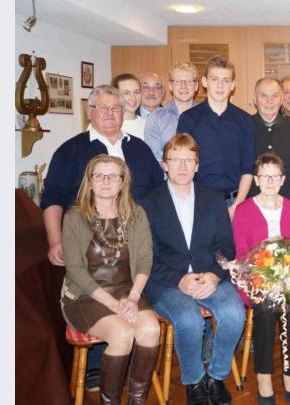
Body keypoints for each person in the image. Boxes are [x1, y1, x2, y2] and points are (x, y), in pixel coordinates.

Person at [139, 133, 246, 405]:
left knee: (234, 313)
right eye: (175, 160)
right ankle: (194, 381)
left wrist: (213, 274)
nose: (183, 167)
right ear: (164, 165)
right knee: (188, 319)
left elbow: (226, 246)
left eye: (189, 160)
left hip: (208, 273)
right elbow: (145, 255)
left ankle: (217, 376)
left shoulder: (213, 198)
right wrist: (179, 280)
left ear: (198, 165)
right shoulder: (148, 202)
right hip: (165, 279)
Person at [60, 155, 160, 405]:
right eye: (99, 176)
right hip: (85, 296)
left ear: (122, 182)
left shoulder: (136, 214)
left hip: (127, 291)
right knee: (122, 333)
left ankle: (137, 401)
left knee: (151, 329)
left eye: (113, 176)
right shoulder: (74, 217)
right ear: (90, 182)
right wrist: (113, 304)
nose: (106, 181)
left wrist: (133, 297)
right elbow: (74, 269)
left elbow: (145, 260)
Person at [42, 84, 163, 267]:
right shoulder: (69, 150)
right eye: (102, 108)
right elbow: (52, 197)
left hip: (140, 243)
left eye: (115, 108)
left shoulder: (140, 148)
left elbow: (159, 193)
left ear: (123, 113)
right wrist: (55, 241)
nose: (110, 113)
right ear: (89, 112)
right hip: (89, 246)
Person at [232, 153, 290, 405]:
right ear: (257, 180)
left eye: (275, 176)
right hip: (254, 278)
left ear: (282, 179)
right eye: (265, 176)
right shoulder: (244, 210)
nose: (270, 180)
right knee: (264, 308)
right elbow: (241, 255)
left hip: (288, 277)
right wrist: (263, 279)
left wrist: (289, 277)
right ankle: (263, 374)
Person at [177, 57, 255, 219]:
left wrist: (237, 206)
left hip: (235, 202)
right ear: (204, 82)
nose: (220, 86)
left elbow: (248, 167)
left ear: (233, 85)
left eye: (226, 81)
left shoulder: (244, 120)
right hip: (198, 203)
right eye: (215, 79)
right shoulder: (189, 119)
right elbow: (182, 164)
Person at [250, 77, 290, 204]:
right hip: (252, 207)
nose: (269, 101)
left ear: (281, 100)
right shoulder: (243, 127)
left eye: (275, 96)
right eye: (263, 95)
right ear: (255, 99)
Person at [145, 62, 201, 163]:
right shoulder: (155, 119)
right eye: (178, 82)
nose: (183, 86)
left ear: (196, 86)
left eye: (188, 82)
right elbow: (154, 159)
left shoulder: (206, 117)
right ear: (170, 86)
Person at [112, 73, 146, 139]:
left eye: (136, 92)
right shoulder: (102, 124)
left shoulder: (148, 125)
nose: (133, 98)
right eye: (126, 93)